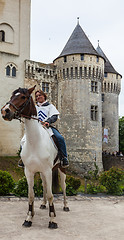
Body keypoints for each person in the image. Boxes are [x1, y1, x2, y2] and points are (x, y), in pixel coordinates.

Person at [18, 90, 69, 168]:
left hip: (47, 127)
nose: (38, 97)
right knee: (23, 140)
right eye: (37, 96)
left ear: (44, 96)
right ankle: (23, 159)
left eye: (40, 95)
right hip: (35, 128)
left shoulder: (50, 106)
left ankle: (63, 158)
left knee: (60, 138)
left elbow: (54, 116)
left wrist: (48, 121)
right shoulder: (34, 108)